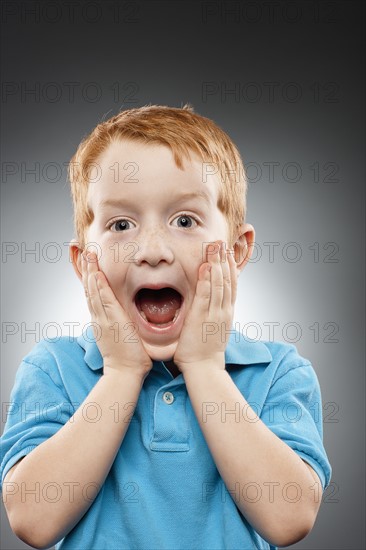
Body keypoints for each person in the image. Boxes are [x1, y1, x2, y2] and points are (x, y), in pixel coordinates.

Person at [0, 104, 332, 549]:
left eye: (184, 221)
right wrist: (120, 373)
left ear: (236, 251)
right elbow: (32, 521)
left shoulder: (277, 372)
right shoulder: (53, 369)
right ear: (83, 262)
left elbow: (289, 518)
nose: (152, 250)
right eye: (121, 224)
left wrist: (206, 368)